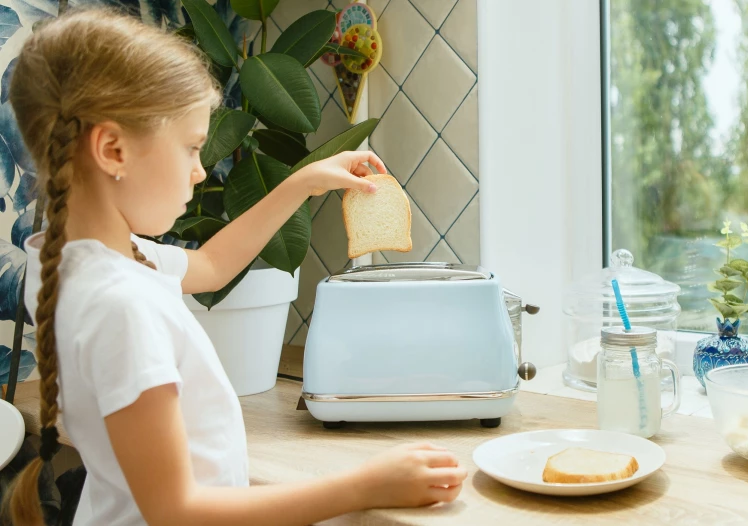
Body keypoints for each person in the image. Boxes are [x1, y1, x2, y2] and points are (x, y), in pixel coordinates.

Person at [1, 8, 466, 526]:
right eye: (192, 147)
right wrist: (362, 486)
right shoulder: (120, 305)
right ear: (113, 150)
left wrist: (302, 183)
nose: (201, 171)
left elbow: (212, 264)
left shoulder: (75, 261)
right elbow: (177, 510)